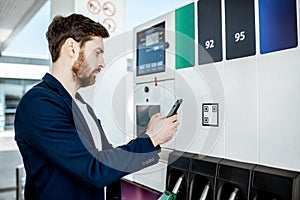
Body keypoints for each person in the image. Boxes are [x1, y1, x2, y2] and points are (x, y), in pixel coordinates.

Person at [14, 13, 179, 200]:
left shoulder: (81, 105)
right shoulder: (39, 104)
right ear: (72, 48)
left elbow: (107, 159)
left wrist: (149, 136)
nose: (102, 63)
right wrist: (152, 138)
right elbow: (94, 170)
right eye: (97, 52)